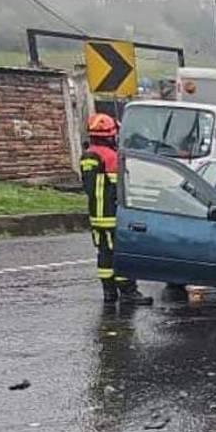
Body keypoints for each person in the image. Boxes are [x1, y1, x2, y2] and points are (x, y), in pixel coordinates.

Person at [80, 113, 152, 305]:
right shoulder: (111, 157)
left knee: (104, 253)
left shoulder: (88, 156)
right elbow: (120, 188)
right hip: (114, 215)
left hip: (96, 216)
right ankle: (129, 291)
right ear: (110, 134)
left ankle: (109, 291)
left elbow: (89, 187)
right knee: (122, 253)